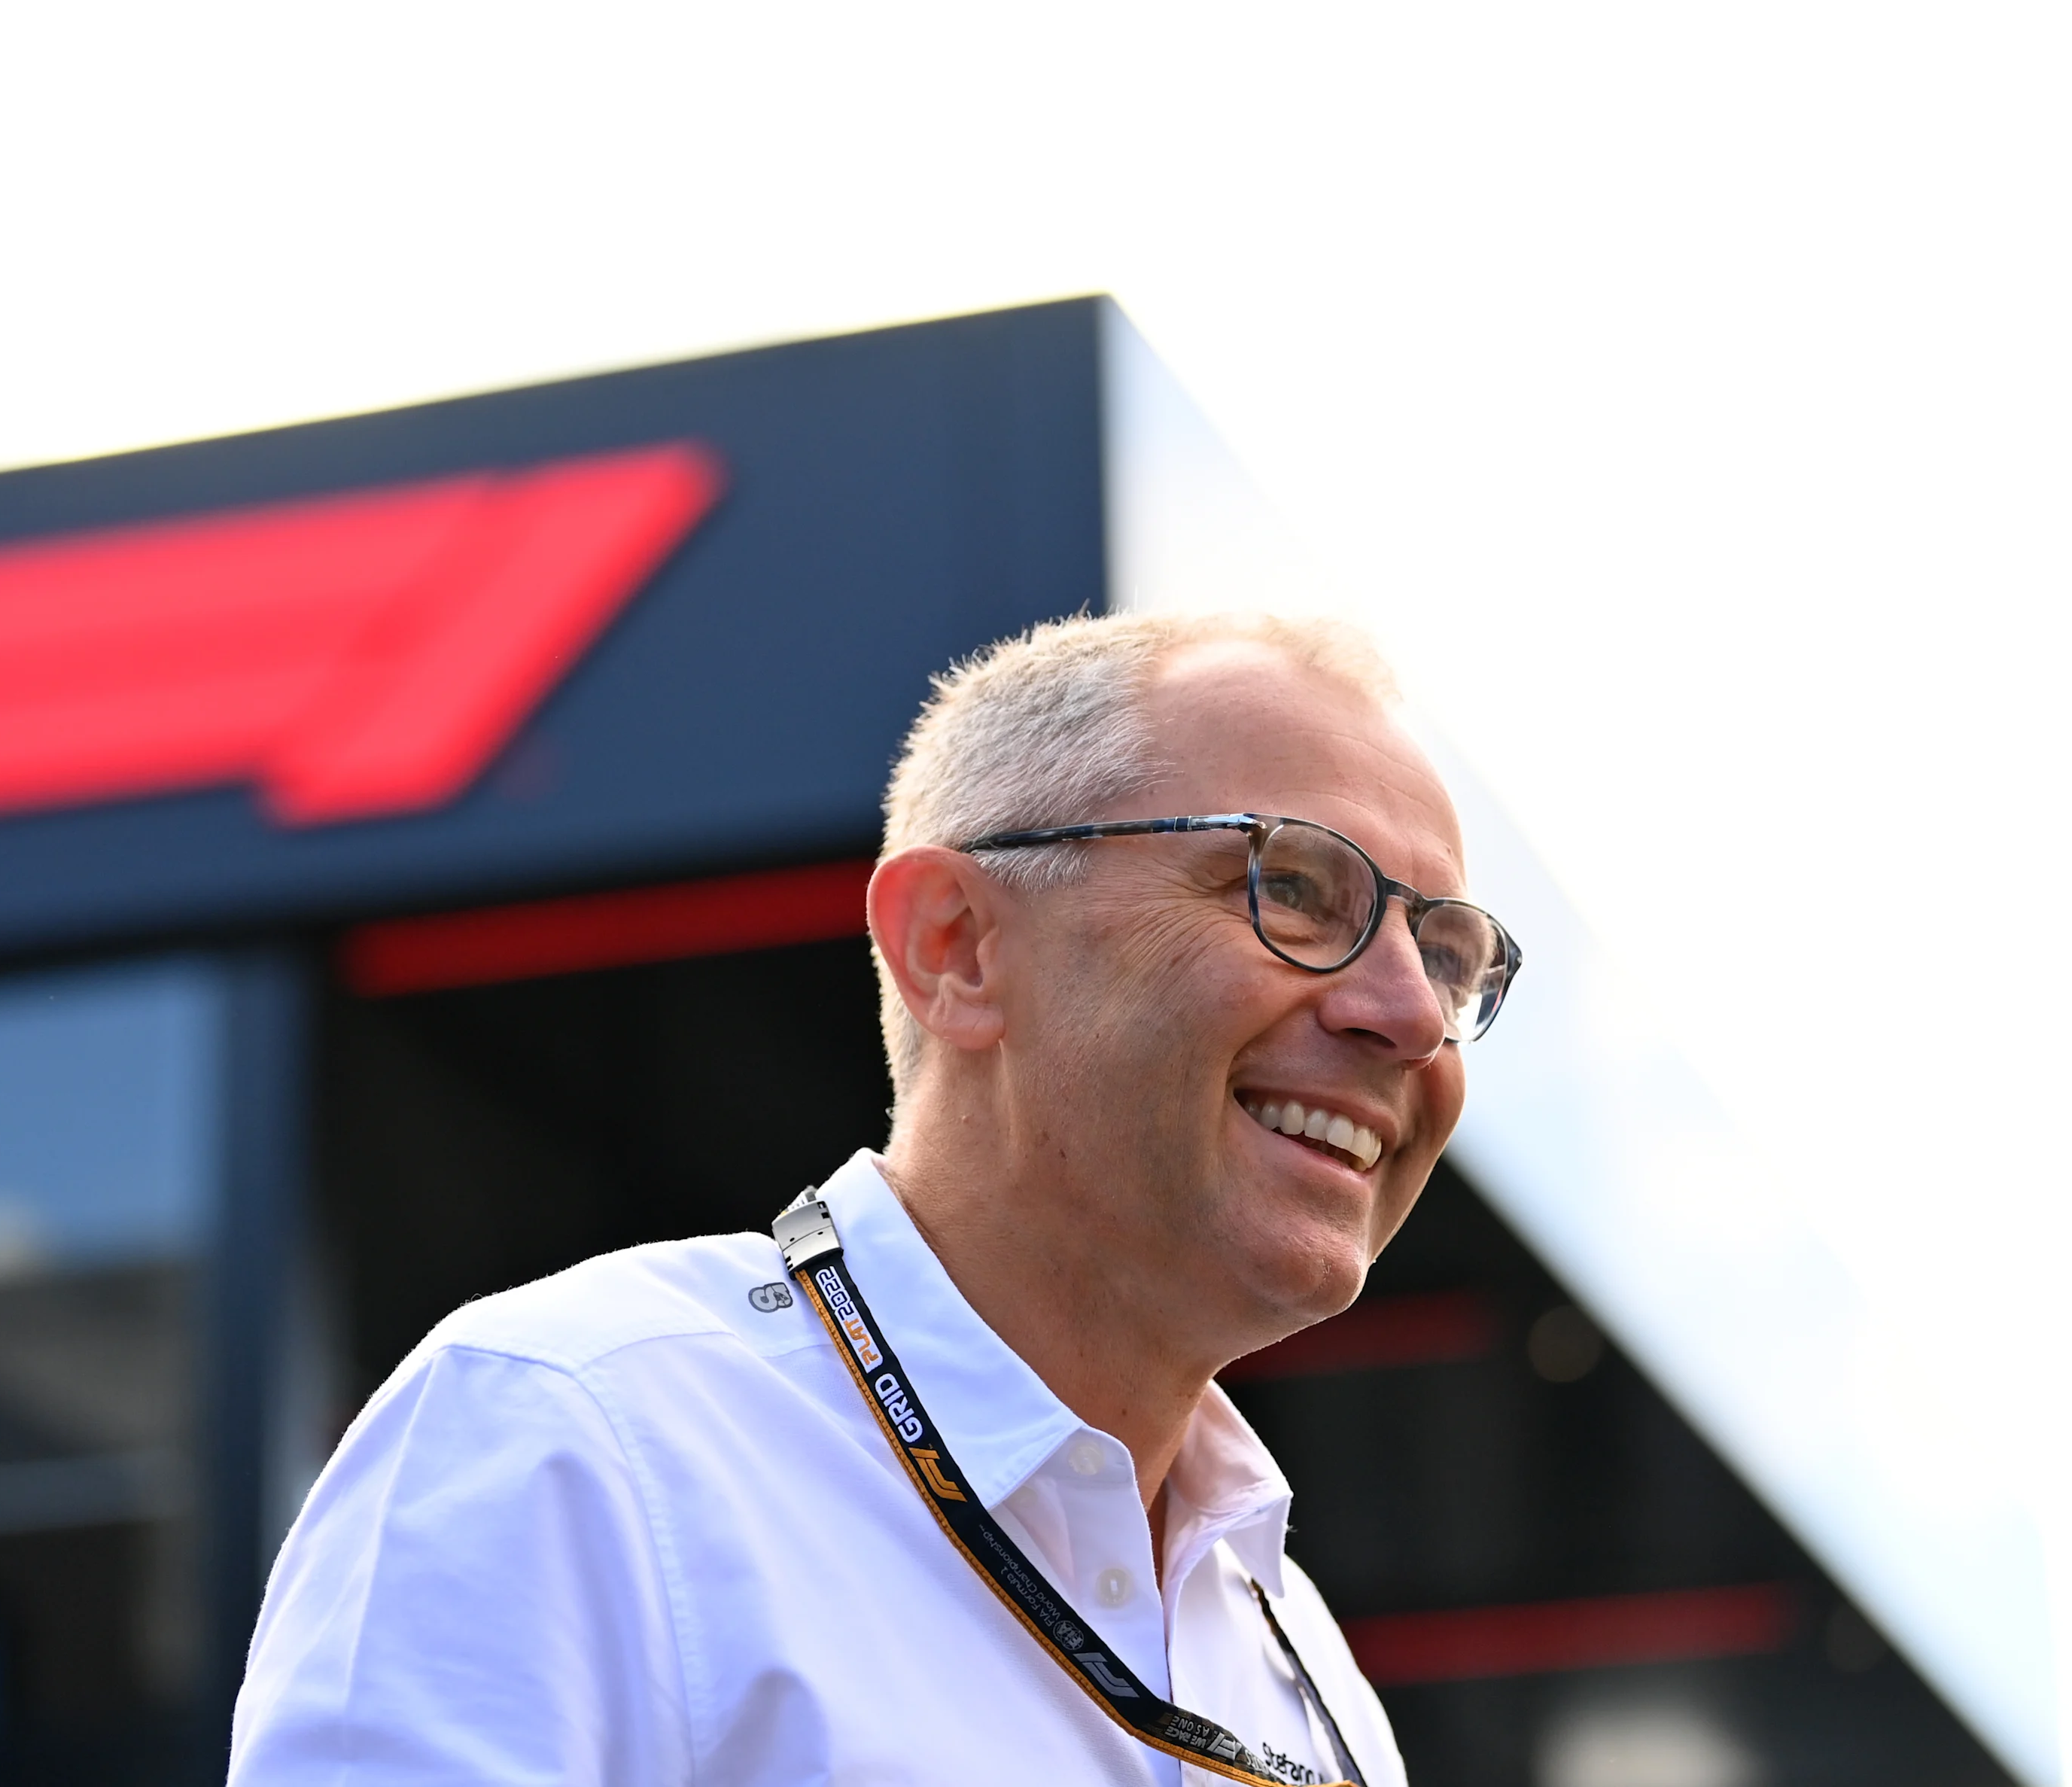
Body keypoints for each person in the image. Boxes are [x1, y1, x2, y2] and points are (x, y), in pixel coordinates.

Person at [228, 611, 1520, 1786]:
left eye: (1446, 954)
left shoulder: (1299, 1663)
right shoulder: (575, 1436)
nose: (1408, 1015)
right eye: (1292, 887)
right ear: (956, 947)